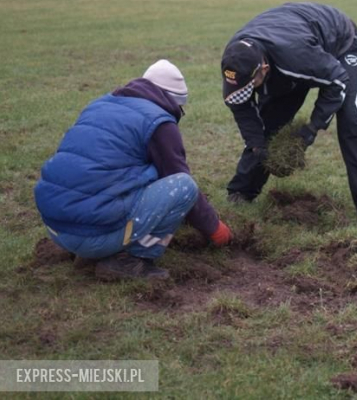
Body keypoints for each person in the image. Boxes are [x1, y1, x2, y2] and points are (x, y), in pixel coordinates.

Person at [34, 60, 233, 281]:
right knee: (183, 187)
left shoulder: (100, 104)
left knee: (141, 173)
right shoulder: (160, 124)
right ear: (173, 102)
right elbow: (179, 181)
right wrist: (214, 228)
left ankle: (90, 249)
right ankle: (130, 259)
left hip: (55, 228)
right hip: (91, 237)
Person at [221, 2, 357, 225]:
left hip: (338, 43)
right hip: (292, 48)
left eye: (252, 85)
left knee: (352, 119)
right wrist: (256, 144)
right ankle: (242, 191)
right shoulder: (236, 59)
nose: (248, 91)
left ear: (264, 69)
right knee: (270, 124)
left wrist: (312, 128)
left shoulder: (297, 57)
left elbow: (338, 81)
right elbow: (241, 107)